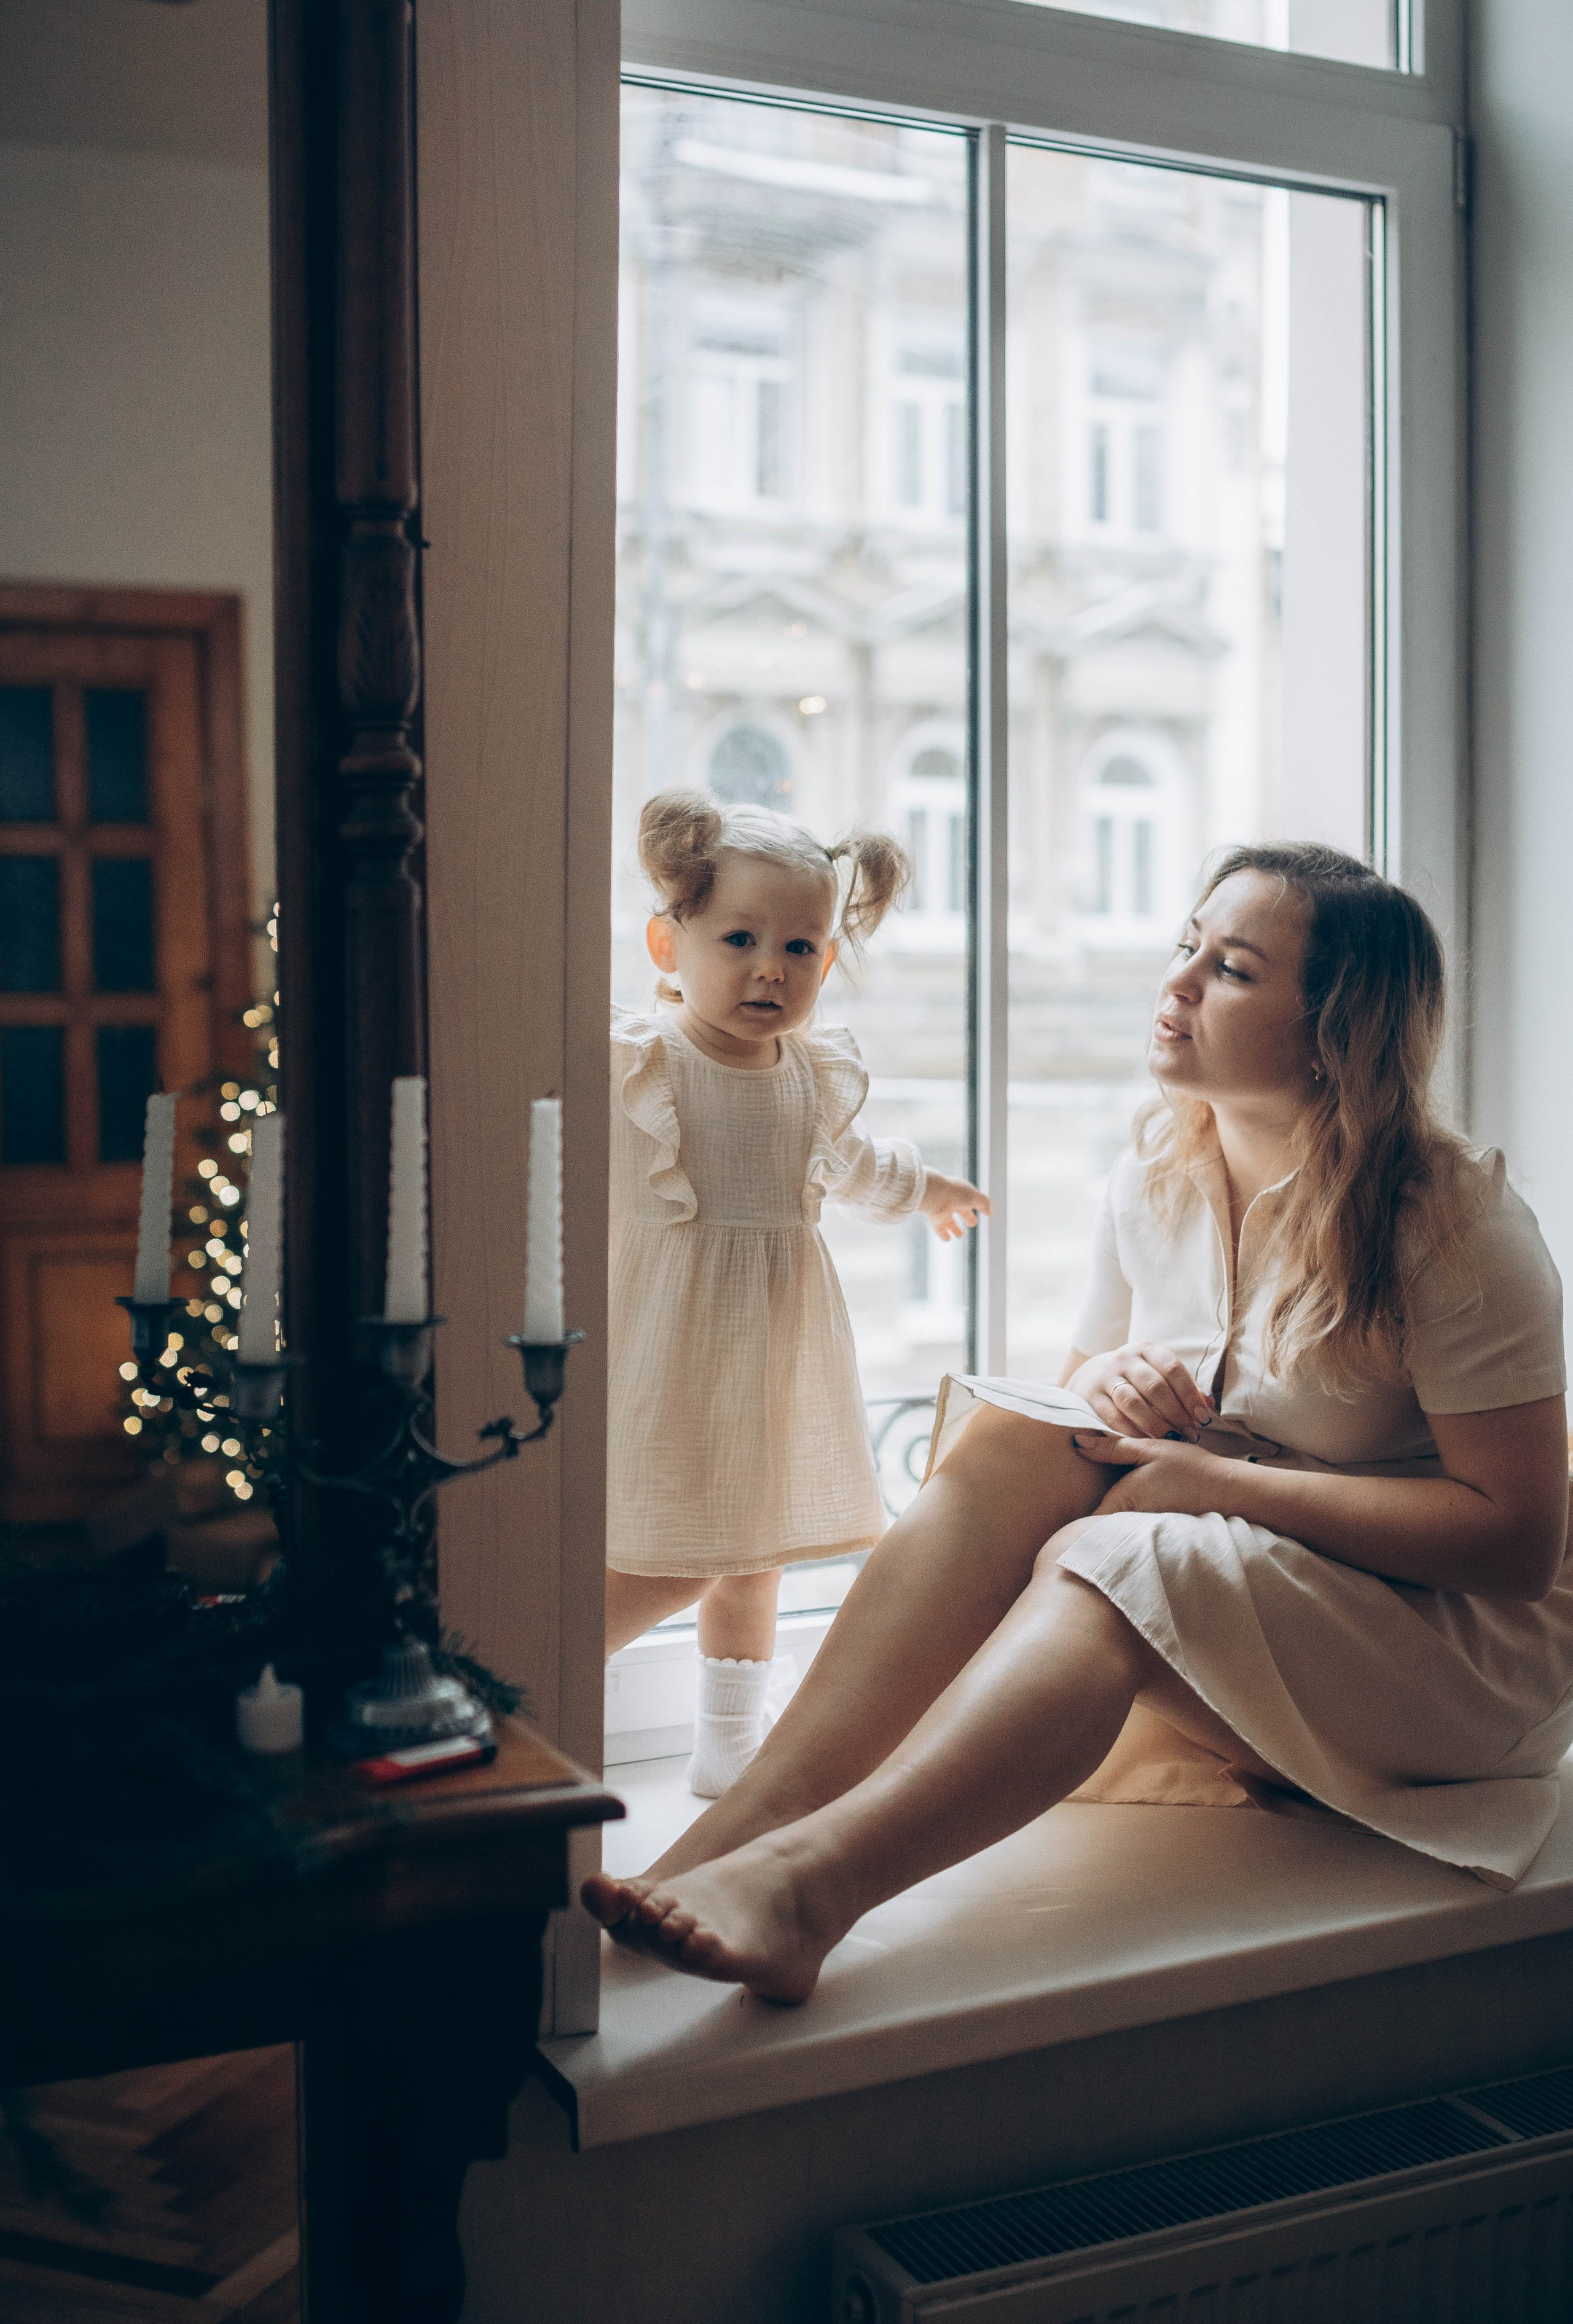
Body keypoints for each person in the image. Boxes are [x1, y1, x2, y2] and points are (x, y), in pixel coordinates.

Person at [584, 842, 1573, 2001]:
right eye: (1185, 948)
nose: (1180, 983)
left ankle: (811, 1889)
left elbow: (1514, 1546)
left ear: (1335, 1027)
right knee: (1015, 1435)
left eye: (1234, 969)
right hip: (1255, 1605)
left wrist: (1217, 1483)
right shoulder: (1151, 1179)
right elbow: (1073, 1436)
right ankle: (731, 1842)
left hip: (1453, 1660)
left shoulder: (1449, 1220)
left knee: (1121, 1546)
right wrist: (1106, 1388)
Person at [606, 789, 989, 1797]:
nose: (771, 967)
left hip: (774, 1346)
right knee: (675, 1549)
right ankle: (538, 1684)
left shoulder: (808, 1075)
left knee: (757, 1552)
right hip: (669, 1349)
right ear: (666, 942)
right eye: (739, 938)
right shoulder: (643, 1063)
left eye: (803, 947)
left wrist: (930, 1191)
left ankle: (727, 1742)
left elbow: (855, 1164)